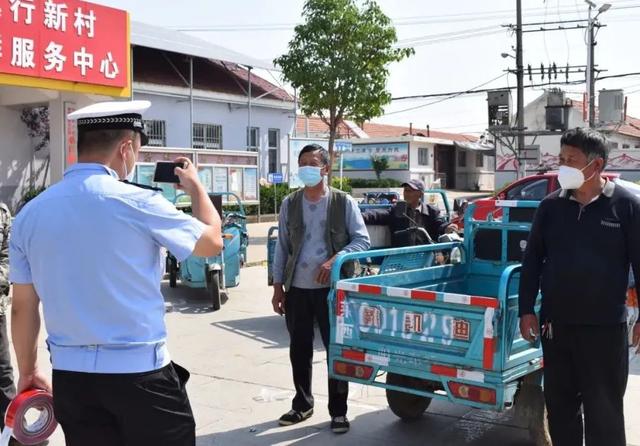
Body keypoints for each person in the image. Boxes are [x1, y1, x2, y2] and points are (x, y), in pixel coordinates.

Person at [9, 100, 223, 446]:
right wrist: (196, 186)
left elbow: (22, 306)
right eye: (136, 150)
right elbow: (213, 242)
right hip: (141, 378)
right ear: (125, 148)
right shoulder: (141, 203)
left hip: (72, 381)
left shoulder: (29, 215)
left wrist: (29, 371)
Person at [519, 127, 640, 446]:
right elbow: (532, 261)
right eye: (561, 159)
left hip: (605, 330)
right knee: (561, 411)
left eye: (571, 160)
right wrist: (525, 310)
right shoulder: (550, 207)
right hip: (556, 327)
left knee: (605, 413)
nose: (563, 167)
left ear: (596, 165)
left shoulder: (626, 207)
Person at [271, 144, 370, 434]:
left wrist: (335, 260)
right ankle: (302, 404)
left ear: (326, 168)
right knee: (298, 350)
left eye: (312, 163)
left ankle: (338, 411)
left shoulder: (343, 202)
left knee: (335, 350)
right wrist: (278, 287)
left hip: (332, 291)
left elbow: (362, 241)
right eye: (302, 163)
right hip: (297, 289)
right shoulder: (290, 203)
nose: (306, 168)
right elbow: (283, 248)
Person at [362, 179, 458, 247]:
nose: (406, 194)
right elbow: (377, 215)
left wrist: (447, 227)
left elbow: (440, 224)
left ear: (420, 194)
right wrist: (358, 216)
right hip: (402, 256)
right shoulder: (397, 210)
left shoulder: (432, 211)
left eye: (409, 191)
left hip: (426, 255)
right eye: (405, 191)